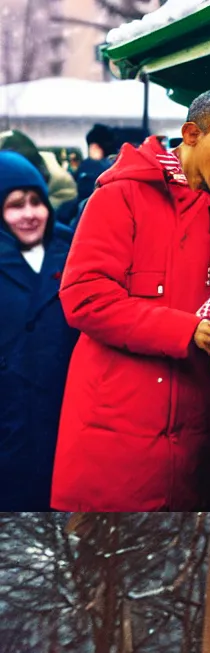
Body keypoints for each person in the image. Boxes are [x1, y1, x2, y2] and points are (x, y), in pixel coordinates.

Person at [52, 88, 210, 511]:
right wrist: (188, 329)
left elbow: (189, 301)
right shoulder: (120, 194)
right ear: (191, 135)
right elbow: (84, 297)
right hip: (116, 437)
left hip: (186, 439)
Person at [0, 152, 77, 510]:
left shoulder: (73, 249)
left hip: (62, 414)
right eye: (15, 205)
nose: (29, 214)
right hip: (9, 419)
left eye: (36, 202)